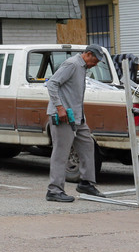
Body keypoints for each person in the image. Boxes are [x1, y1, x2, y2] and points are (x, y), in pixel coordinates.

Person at [44, 44, 106, 202]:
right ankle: (54, 190)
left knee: (87, 144)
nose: (96, 63)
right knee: (61, 153)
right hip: (63, 116)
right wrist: (59, 107)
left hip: (77, 117)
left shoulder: (82, 67)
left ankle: (86, 183)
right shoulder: (72, 64)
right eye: (96, 60)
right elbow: (52, 83)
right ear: (89, 54)